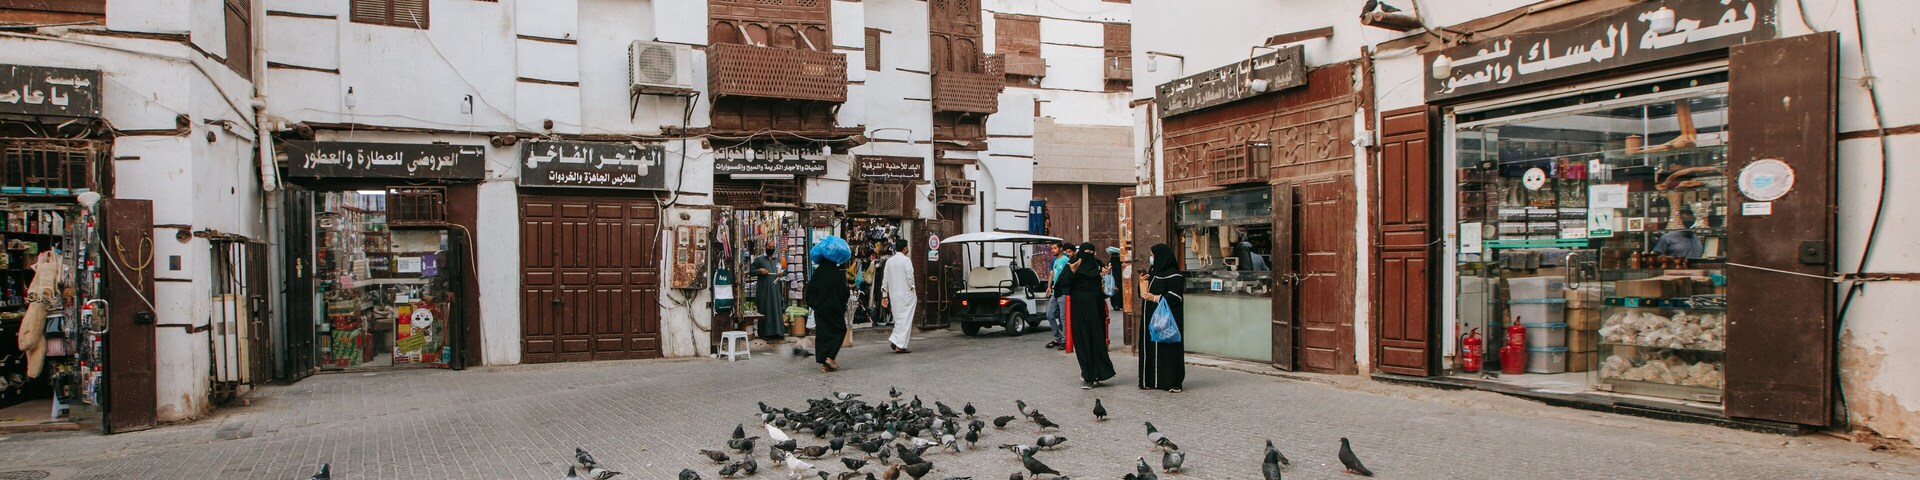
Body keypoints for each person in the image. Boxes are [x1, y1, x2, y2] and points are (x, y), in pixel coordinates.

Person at [1066, 242, 1115, 389]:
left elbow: (1107, 289)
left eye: (1091, 252)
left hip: (1095, 310)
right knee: (1082, 341)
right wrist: (1072, 272)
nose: (1088, 254)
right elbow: (1063, 284)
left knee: (1096, 340)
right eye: (1085, 251)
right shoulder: (1074, 263)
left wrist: (1106, 275)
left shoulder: (1098, 264)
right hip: (1079, 310)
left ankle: (1097, 373)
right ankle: (1088, 374)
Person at [1138, 243, 1186, 393]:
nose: (1152, 258)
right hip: (1150, 317)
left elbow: (1175, 296)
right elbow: (1144, 294)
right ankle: (1150, 380)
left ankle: (1171, 382)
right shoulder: (1154, 272)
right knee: (1150, 347)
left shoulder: (1175, 275)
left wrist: (1155, 298)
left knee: (1168, 348)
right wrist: (1142, 283)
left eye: (1153, 255)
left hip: (1167, 320)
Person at [805, 256, 851, 372]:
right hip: (834, 309)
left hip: (820, 309)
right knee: (840, 330)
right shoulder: (836, 274)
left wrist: (815, 305)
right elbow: (844, 293)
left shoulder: (817, 273)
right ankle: (830, 357)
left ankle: (824, 363)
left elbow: (810, 293)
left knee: (823, 333)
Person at [881, 238, 917, 353]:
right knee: (906, 320)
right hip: (906, 294)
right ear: (905, 248)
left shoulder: (889, 261)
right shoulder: (906, 260)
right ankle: (899, 344)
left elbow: (885, 280)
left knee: (899, 319)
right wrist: (912, 288)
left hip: (894, 295)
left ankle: (897, 340)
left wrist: (885, 295)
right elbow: (910, 277)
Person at [750, 245, 787, 339]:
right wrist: (760, 270)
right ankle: (765, 333)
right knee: (765, 309)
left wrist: (781, 273)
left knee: (776, 309)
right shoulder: (759, 260)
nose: (771, 248)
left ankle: (777, 332)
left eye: (772, 246)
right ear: (765, 247)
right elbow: (751, 272)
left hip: (776, 289)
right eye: (769, 246)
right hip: (764, 290)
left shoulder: (777, 260)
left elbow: (782, 272)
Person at [1043, 242, 1075, 350]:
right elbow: (1052, 273)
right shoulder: (1055, 261)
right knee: (1049, 315)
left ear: (1061, 249)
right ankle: (1058, 337)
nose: (1053, 250)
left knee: (1063, 317)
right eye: (1052, 248)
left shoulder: (1066, 260)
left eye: (1055, 248)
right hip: (1054, 292)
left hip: (1063, 292)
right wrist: (1049, 287)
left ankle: (1066, 340)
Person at [1106, 246, 1125, 310]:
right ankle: (1121, 304)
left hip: (1113, 280)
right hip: (1120, 279)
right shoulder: (1120, 262)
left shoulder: (1110, 262)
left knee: (1114, 291)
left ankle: (1115, 305)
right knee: (1120, 291)